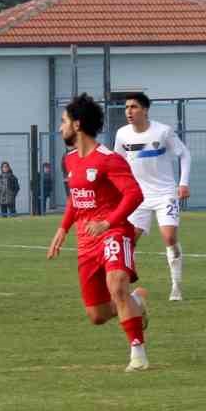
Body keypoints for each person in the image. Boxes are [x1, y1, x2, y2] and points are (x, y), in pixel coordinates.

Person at [47, 94, 151, 373]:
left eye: (64, 121)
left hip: (114, 232)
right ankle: (137, 301)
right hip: (86, 241)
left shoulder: (108, 160)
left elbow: (134, 194)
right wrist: (63, 228)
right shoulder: (69, 161)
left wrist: (108, 223)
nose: (60, 128)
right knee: (97, 315)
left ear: (77, 125)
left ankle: (138, 355)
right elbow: (76, 199)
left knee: (117, 286)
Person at [115, 93, 192, 301]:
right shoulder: (122, 134)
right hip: (137, 195)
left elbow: (184, 154)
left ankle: (176, 286)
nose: (129, 111)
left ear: (145, 110)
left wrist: (183, 183)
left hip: (165, 193)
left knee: (169, 237)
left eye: (134, 107)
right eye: (127, 107)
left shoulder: (163, 131)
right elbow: (117, 164)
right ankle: (123, 287)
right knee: (127, 241)